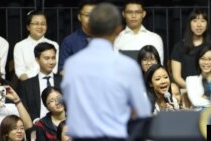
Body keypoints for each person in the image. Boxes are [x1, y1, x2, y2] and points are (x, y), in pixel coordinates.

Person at [61, 3, 151, 141]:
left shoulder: (71, 65)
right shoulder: (127, 66)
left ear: (90, 26)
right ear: (118, 29)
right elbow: (142, 112)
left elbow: (68, 103)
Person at [17, 42, 62, 122]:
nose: (51, 62)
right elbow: (24, 110)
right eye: (47, 58)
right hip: (36, 126)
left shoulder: (63, 82)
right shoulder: (26, 85)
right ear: (37, 60)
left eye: (53, 58)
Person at [171, 9, 211, 88]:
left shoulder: (210, 47)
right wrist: (191, 89)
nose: (199, 24)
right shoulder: (178, 47)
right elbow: (176, 76)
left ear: (207, 25)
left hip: (206, 90)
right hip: (185, 90)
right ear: (189, 24)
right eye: (195, 20)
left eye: (203, 21)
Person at [14, 10, 59, 81]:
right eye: (36, 24)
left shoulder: (54, 45)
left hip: (48, 82)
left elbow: (54, 70)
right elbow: (20, 71)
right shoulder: (20, 46)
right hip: (27, 84)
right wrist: (31, 85)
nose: (40, 26)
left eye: (43, 24)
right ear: (28, 27)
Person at [114, 0, 164, 64]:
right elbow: (113, 66)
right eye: (129, 12)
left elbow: (158, 68)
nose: (133, 16)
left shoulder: (155, 38)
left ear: (143, 14)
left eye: (137, 12)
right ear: (123, 14)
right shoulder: (117, 38)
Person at [58, 0, 97, 74]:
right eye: (87, 15)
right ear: (79, 17)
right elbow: (62, 69)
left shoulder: (105, 39)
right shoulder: (69, 41)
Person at [186, 44, 211, 110]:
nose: (206, 62)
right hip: (197, 116)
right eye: (203, 59)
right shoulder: (191, 80)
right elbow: (195, 102)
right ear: (198, 60)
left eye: (210, 59)